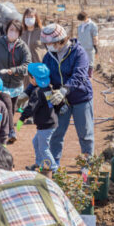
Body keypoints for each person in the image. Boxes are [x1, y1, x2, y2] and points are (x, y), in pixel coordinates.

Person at [40, 23, 94, 166]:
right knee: (56, 133)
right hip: (61, 101)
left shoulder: (78, 52)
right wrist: (46, 94)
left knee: (85, 134)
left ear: (61, 40)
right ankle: (54, 164)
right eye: (46, 44)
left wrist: (64, 90)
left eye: (51, 43)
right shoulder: (48, 57)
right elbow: (45, 77)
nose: (48, 46)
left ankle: (87, 165)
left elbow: (80, 75)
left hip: (81, 97)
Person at [0, 19, 31, 144]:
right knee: (6, 104)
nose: (13, 33)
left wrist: (14, 70)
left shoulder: (23, 47)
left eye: (16, 31)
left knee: (11, 110)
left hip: (16, 83)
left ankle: (2, 131)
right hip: (0, 82)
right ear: (6, 30)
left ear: (20, 33)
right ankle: (11, 131)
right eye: (11, 30)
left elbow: (27, 64)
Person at [18, 63, 61, 174]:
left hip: (45, 125)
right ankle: (39, 164)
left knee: (44, 148)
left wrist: (21, 118)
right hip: (50, 122)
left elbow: (31, 107)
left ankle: (55, 170)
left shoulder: (37, 92)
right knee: (36, 142)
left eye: (30, 77)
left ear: (33, 78)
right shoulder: (47, 88)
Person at [77, 12, 99, 78]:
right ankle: (83, 77)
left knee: (90, 63)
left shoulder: (92, 25)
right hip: (81, 48)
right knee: (82, 63)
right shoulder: (80, 26)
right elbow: (79, 37)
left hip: (89, 47)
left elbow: (95, 37)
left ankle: (89, 78)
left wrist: (95, 47)